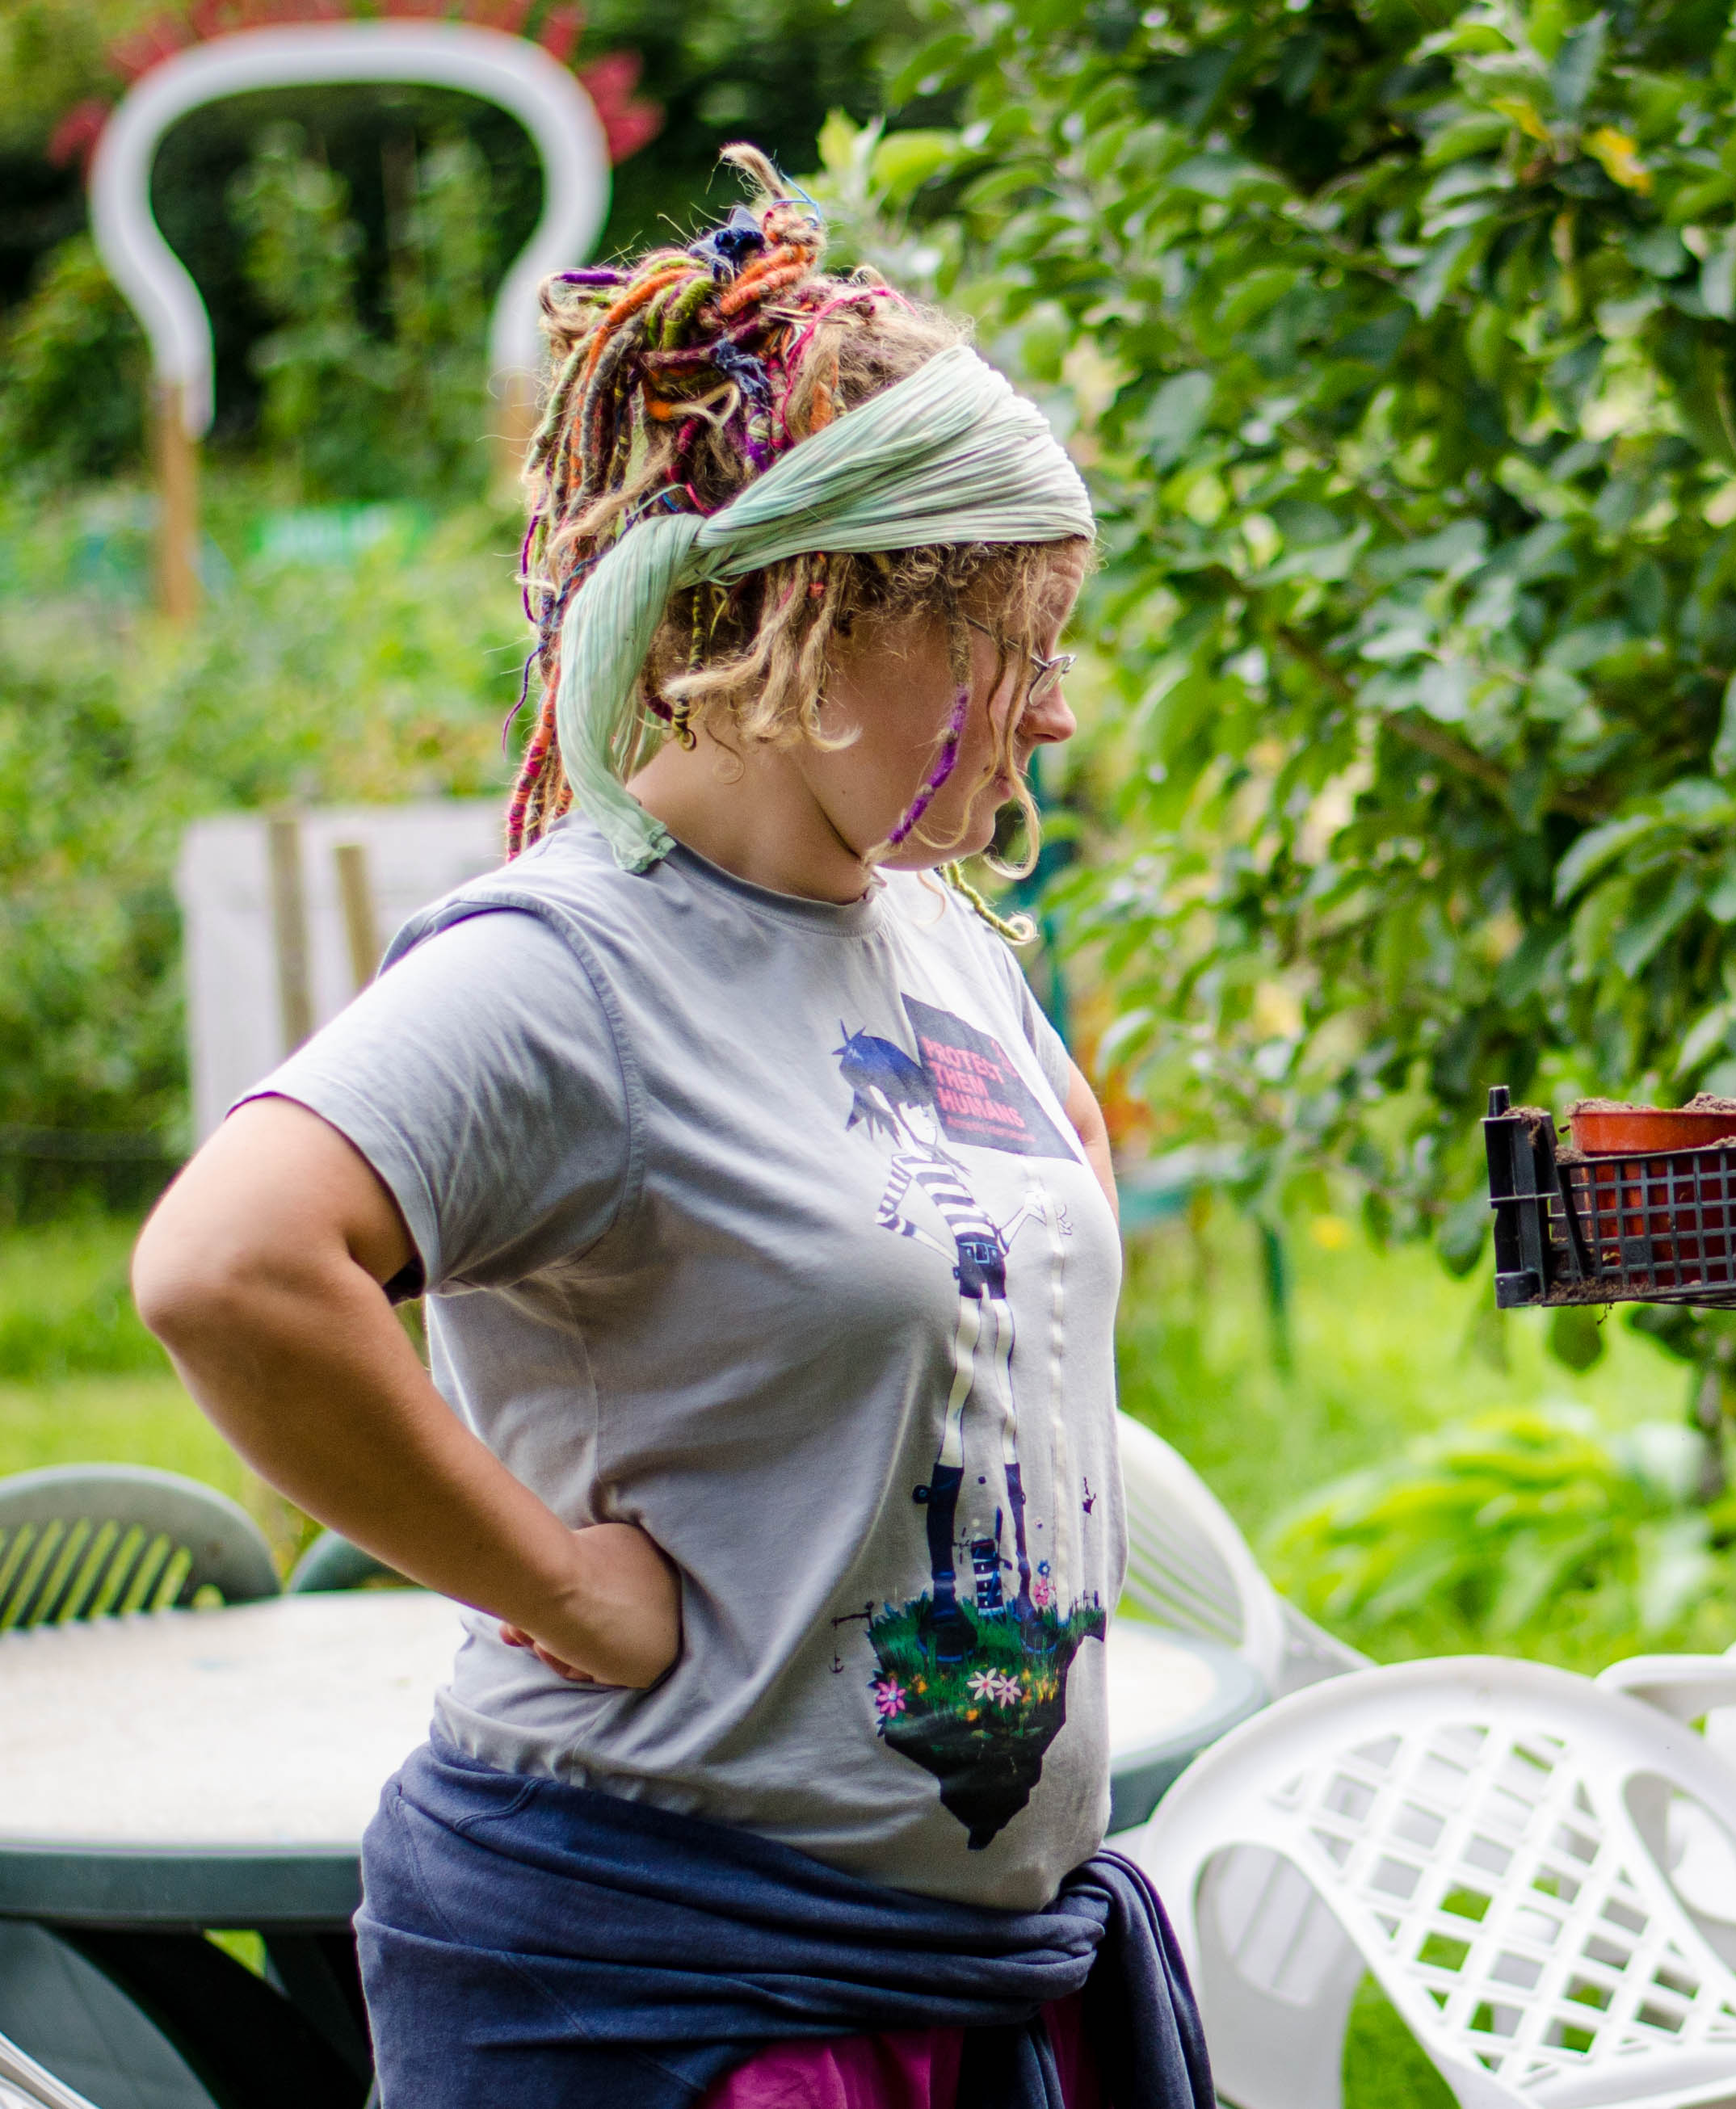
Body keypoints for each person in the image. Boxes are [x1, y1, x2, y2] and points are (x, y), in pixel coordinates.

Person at [130, 152, 1204, 2107]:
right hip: (672, 1981)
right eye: (1009, 637)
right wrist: (552, 1580)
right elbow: (227, 1266)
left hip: (965, 1965)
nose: (1053, 712)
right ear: (813, 613)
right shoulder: (573, 970)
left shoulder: (936, 936)